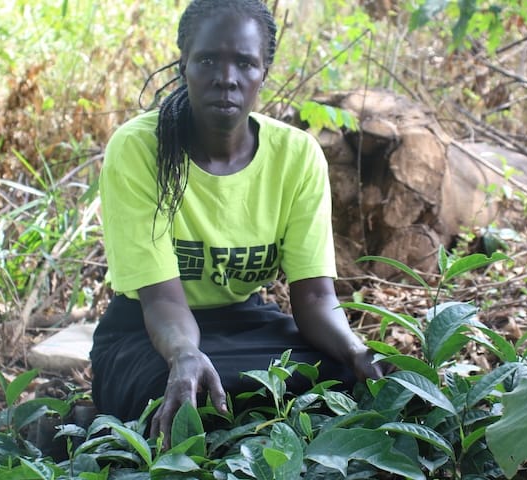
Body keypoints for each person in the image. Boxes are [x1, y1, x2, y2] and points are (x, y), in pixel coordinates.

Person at [89, 0, 385, 449]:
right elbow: (161, 302)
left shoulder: (296, 156)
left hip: (247, 324)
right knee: (178, 396)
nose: (226, 78)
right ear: (183, 62)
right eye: (208, 59)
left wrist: (358, 351)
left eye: (245, 63)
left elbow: (316, 300)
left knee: (341, 377)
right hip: (151, 331)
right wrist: (185, 356)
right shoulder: (138, 149)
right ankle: (92, 423)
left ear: (263, 72)